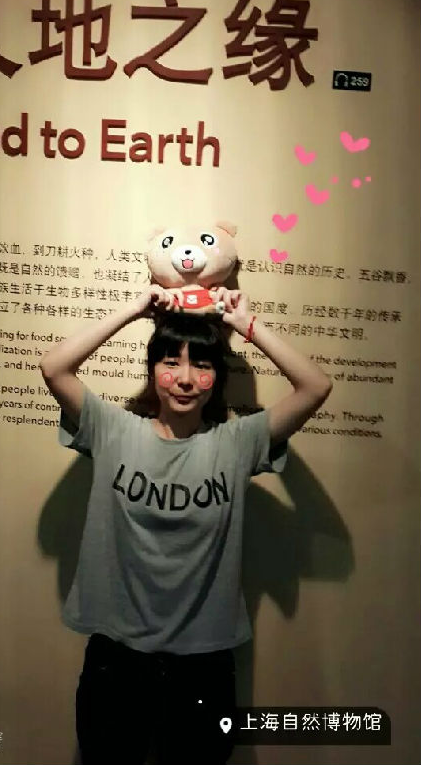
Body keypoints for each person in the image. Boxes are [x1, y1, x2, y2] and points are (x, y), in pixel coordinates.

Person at [40, 284, 332, 765]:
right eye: (170, 362)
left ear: (217, 377)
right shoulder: (113, 429)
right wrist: (134, 310)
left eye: (202, 365)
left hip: (203, 664)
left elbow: (316, 387)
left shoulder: (237, 443)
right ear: (152, 370)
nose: (186, 379)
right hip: (118, 658)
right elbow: (54, 367)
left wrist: (245, 325)